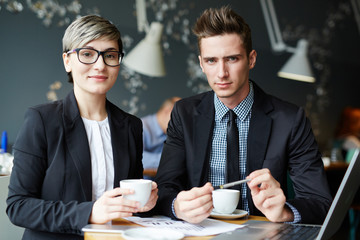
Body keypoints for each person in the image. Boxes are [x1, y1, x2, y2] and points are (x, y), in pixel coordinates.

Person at [154, 6, 332, 225]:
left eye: (232, 59)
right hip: (201, 233)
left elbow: (321, 202)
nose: (221, 73)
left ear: (251, 59)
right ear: (201, 63)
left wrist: (285, 211)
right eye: (211, 61)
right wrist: (177, 206)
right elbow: (164, 188)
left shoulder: (290, 120)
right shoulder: (184, 113)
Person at [6, 15, 158, 239]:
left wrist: (145, 204)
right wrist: (89, 212)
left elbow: (128, 200)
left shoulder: (130, 126)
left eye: (110, 55)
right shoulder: (41, 120)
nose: (100, 65)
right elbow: (18, 206)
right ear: (67, 60)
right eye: (87, 54)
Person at [141, 97, 181, 172]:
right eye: (179, 118)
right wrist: (171, 160)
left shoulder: (172, 132)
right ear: (167, 111)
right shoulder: (141, 127)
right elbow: (135, 158)